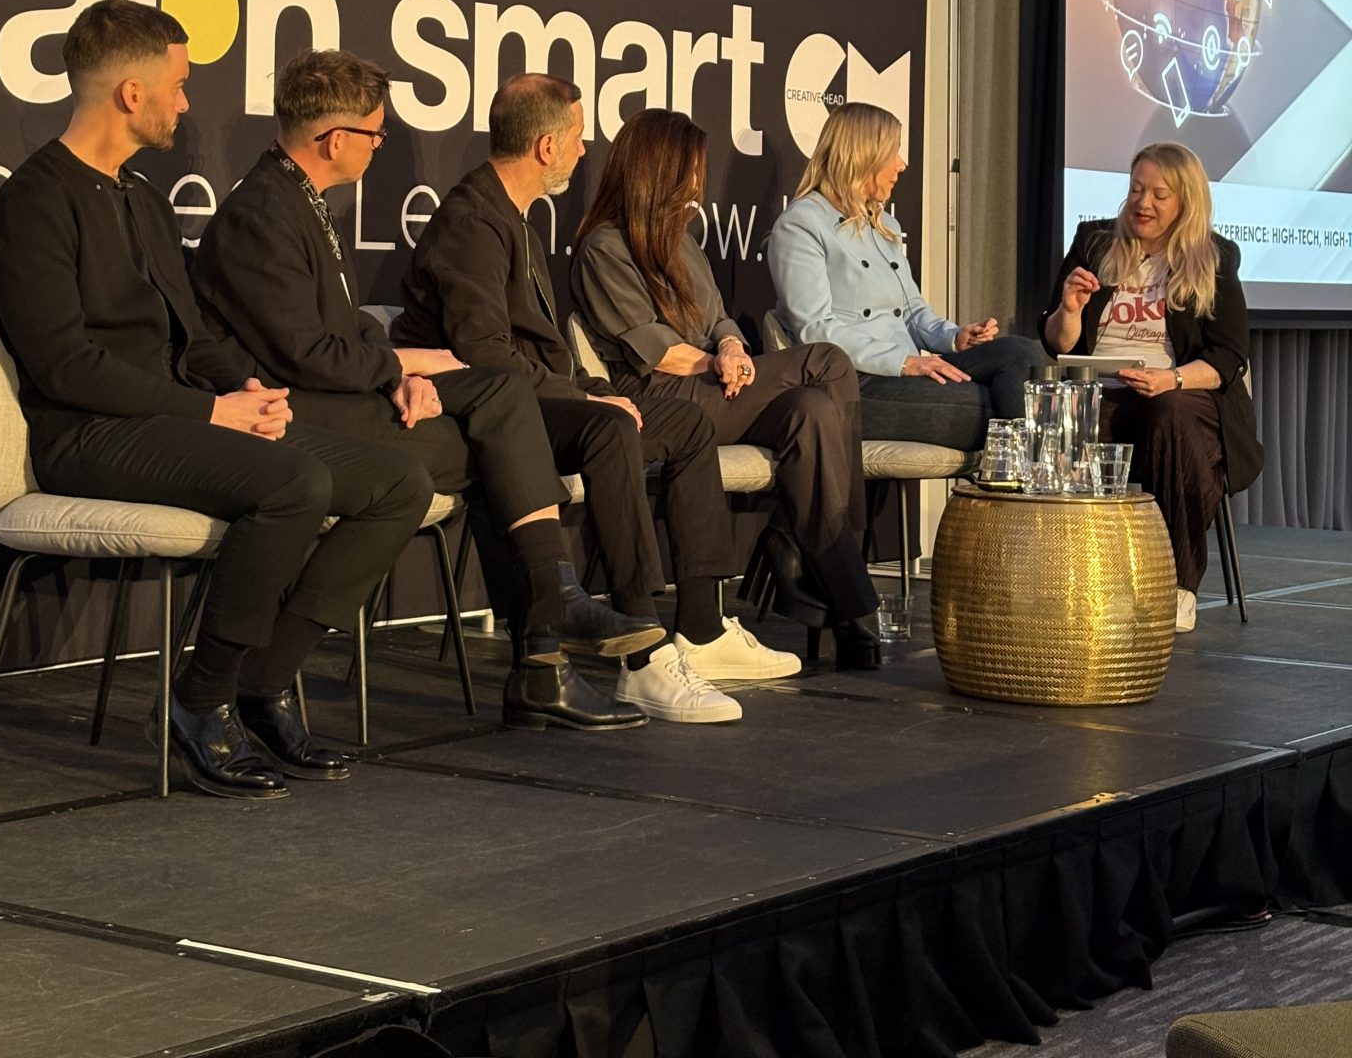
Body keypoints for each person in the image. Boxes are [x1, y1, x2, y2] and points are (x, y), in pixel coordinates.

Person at [0, 0, 432, 801]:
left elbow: (191, 336)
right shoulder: (35, 200)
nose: (187, 103)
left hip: (175, 419)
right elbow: (66, 366)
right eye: (180, 85)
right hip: (88, 433)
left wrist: (245, 388)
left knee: (398, 482)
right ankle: (198, 701)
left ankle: (262, 683)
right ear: (132, 93)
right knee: (293, 484)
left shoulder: (144, 200)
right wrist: (212, 413)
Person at [192, 49, 653, 734]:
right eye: (375, 133)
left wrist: (402, 373)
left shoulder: (299, 201)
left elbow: (344, 329)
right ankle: (546, 631)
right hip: (287, 413)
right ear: (335, 139)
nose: (380, 146)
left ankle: (548, 631)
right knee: (497, 439)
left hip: (336, 395)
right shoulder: (261, 213)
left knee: (499, 407)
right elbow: (305, 355)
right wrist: (399, 366)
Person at [397, 74, 790, 723]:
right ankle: (643, 657)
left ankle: (700, 626)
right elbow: (487, 357)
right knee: (610, 430)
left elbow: (534, 353)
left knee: (685, 424)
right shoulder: (473, 222)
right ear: (547, 146)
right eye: (578, 138)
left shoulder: (512, 217)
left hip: (528, 397)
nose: (585, 152)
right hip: (480, 413)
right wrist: (588, 401)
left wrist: (591, 389)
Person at [572, 109, 882, 672]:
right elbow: (657, 350)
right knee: (829, 363)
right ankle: (845, 566)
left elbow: (719, 321)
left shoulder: (683, 243)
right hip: (661, 398)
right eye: (692, 169)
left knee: (812, 409)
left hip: (716, 388)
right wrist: (718, 361)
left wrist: (734, 348)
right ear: (659, 170)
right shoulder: (605, 248)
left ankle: (839, 597)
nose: (699, 183)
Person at [1040, 142, 1261, 632]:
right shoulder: (1094, 243)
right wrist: (1069, 310)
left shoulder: (1214, 257)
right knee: (1055, 411)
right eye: (1137, 190)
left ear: (1186, 201)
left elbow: (1228, 357)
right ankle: (1060, 581)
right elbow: (1058, 344)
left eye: (1159, 195)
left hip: (1181, 397)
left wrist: (1171, 379)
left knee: (1172, 416)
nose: (1143, 203)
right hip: (1101, 395)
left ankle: (1175, 587)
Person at [768, 104, 1043, 450]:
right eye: (893, 152)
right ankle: (1033, 475)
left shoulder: (884, 226)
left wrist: (955, 337)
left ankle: (1029, 473)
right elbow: (816, 330)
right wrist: (903, 362)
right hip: (857, 382)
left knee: (1022, 353)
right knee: (993, 405)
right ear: (863, 155)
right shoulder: (802, 225)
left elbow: (912, 310)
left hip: (908, 369)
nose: (902, 164)